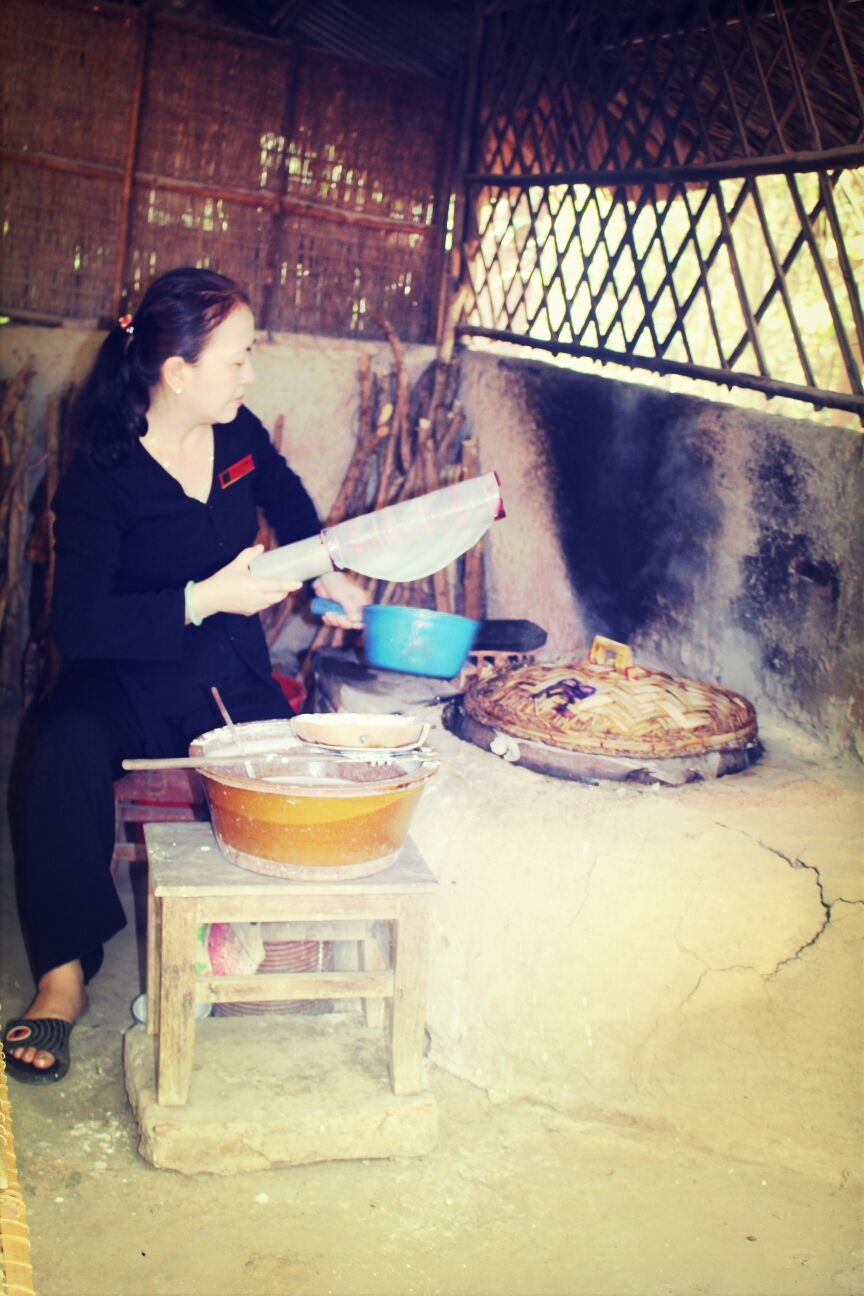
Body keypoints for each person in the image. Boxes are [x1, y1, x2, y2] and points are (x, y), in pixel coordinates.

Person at [2, 267, 368, 1083]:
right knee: (61, 747)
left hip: (223, 670)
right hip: (124, 673)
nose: (249, 373)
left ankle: (251, 940)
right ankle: (62, 979)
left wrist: (321, 570)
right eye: (236, 358)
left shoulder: (237, 436)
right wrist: (204, 597)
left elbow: (288, 496)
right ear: (178, 372)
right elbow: (79, 623)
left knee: (283, 763)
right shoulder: (102, 472)